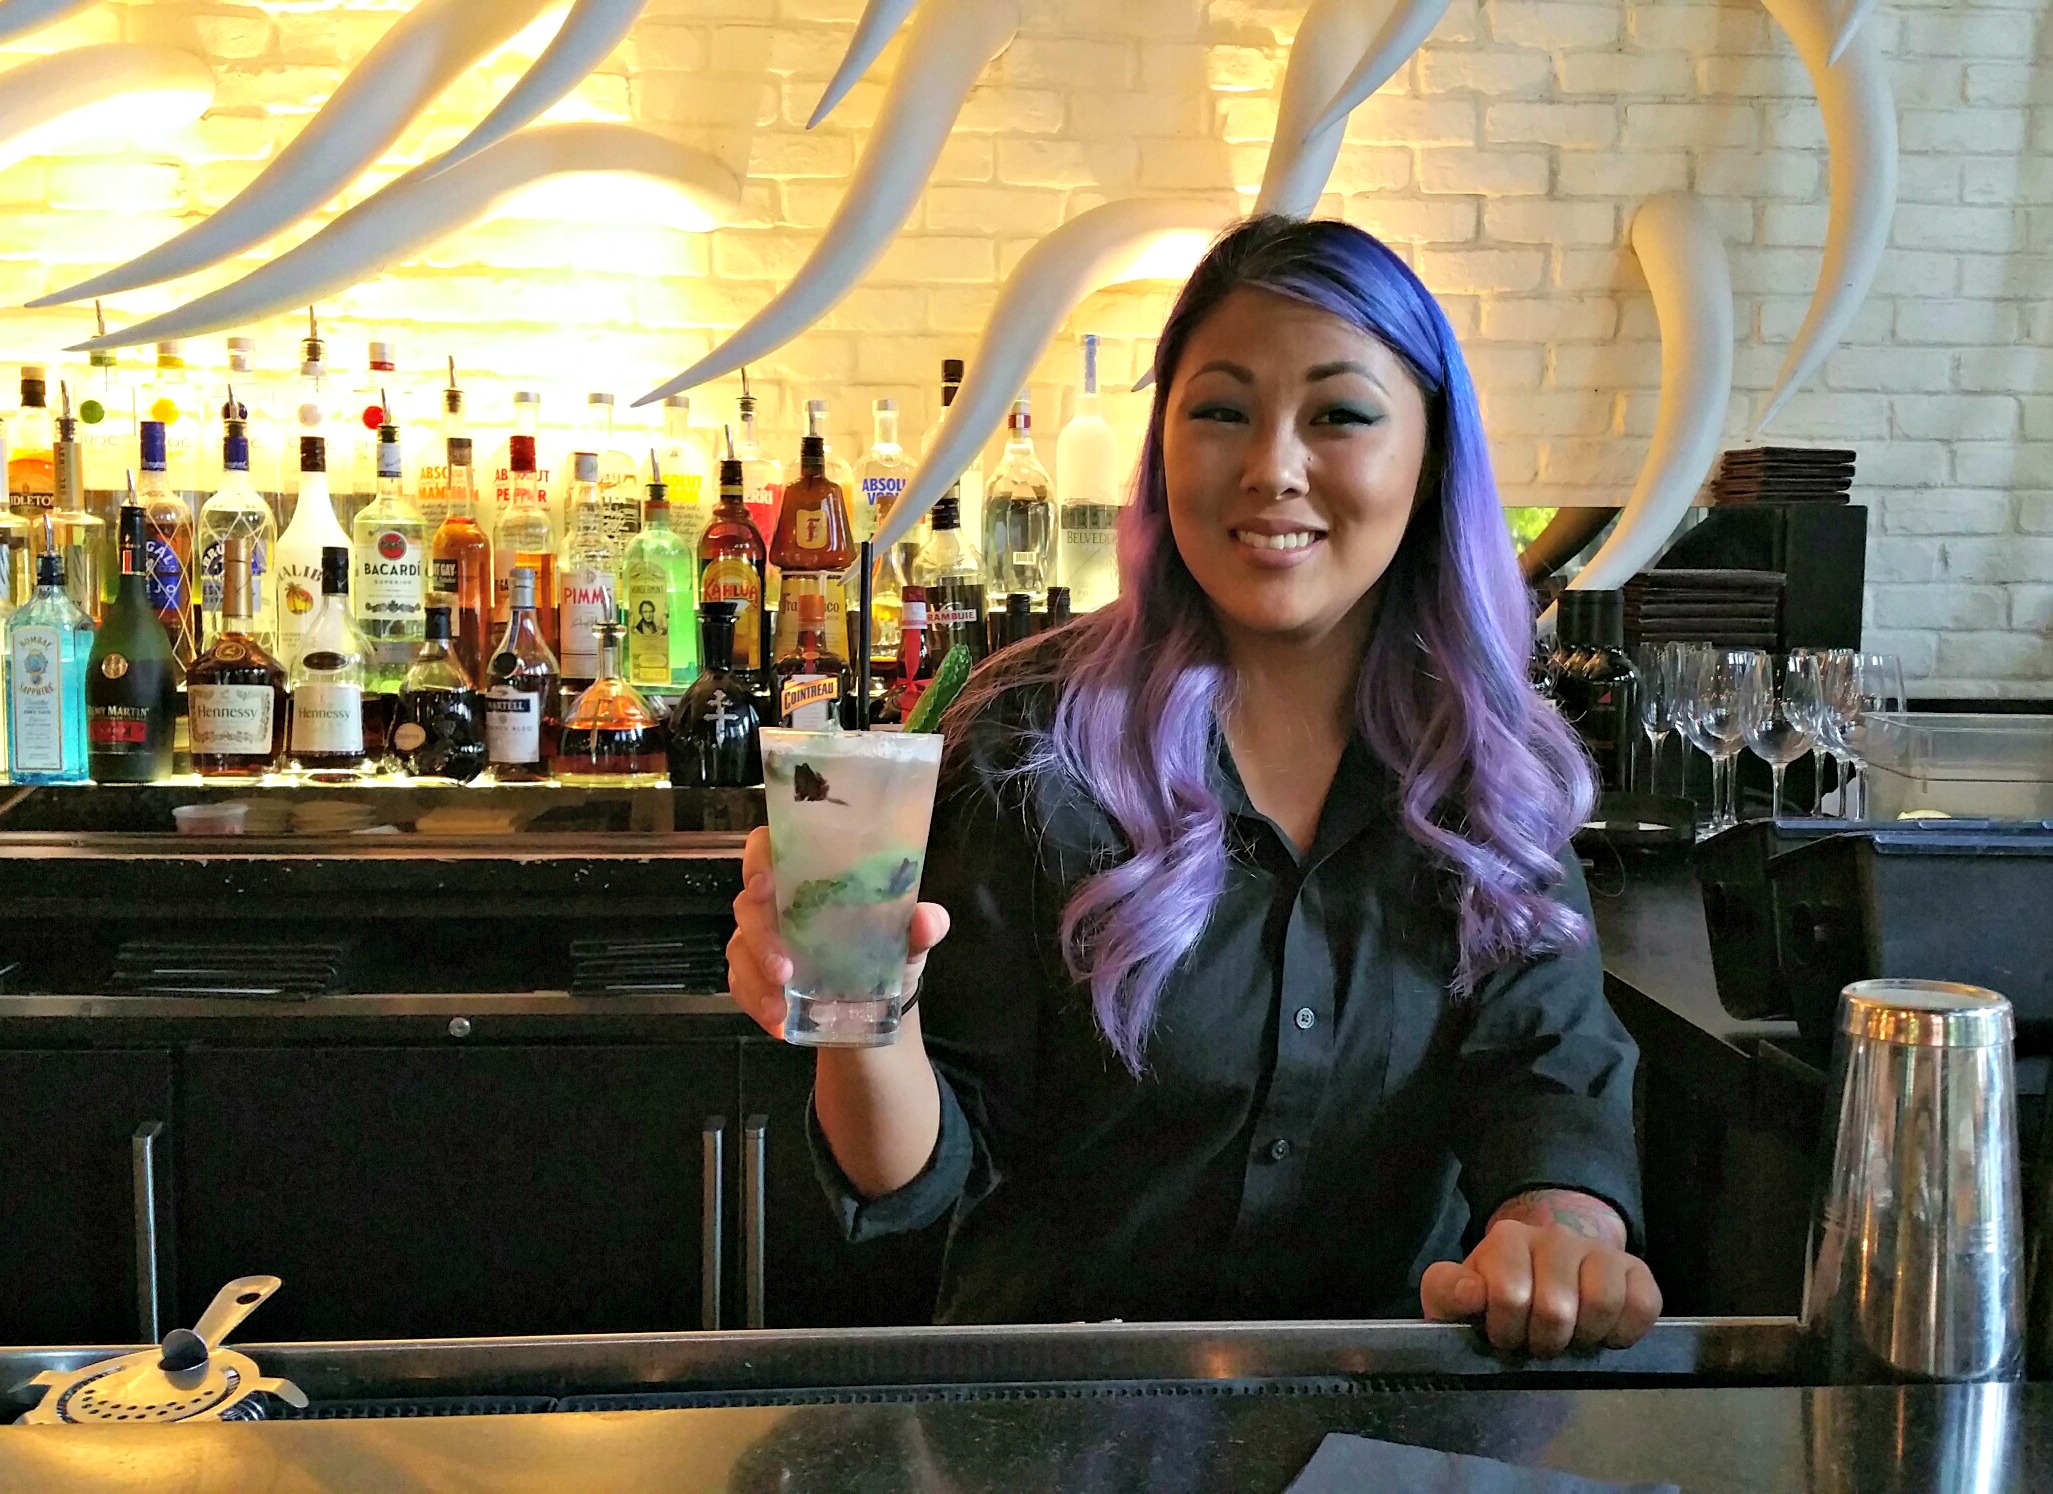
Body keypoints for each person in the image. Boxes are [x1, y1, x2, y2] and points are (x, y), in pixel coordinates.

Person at [727, 216, 1661, 1356]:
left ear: (1429, 461)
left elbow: (1549, 1077)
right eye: (1220, 411)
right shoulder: (1029, 742)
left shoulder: (1489, 766)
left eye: (1339, 414)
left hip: (1373, 1414)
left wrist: (1556, 1235)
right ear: (1162, 447)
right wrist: (861, 1006)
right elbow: (913, 1179)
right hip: (1058, 1415)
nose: (1272, 468)